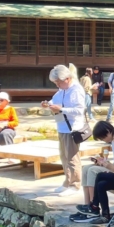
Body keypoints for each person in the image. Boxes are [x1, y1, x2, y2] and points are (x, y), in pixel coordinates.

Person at [41, 64, 88, 194]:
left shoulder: (76, 90)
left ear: (67, 78)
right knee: (64, 157)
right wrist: (47, 104)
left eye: (58, 82)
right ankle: (67, 182)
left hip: (72, 128)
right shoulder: (62, 90)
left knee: (72, 158)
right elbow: (54, 101)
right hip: (62, 126)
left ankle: (75, 184)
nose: (57, 84)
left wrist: (61, 109)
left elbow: (79, 110)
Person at [80, 120, 114, 211]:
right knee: (85, 168)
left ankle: (93, 205)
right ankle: (87, 203)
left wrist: (106, 164)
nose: (103, 141)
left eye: (102, 138)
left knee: (92, 170)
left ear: (108, 132)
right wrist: (103, 162)